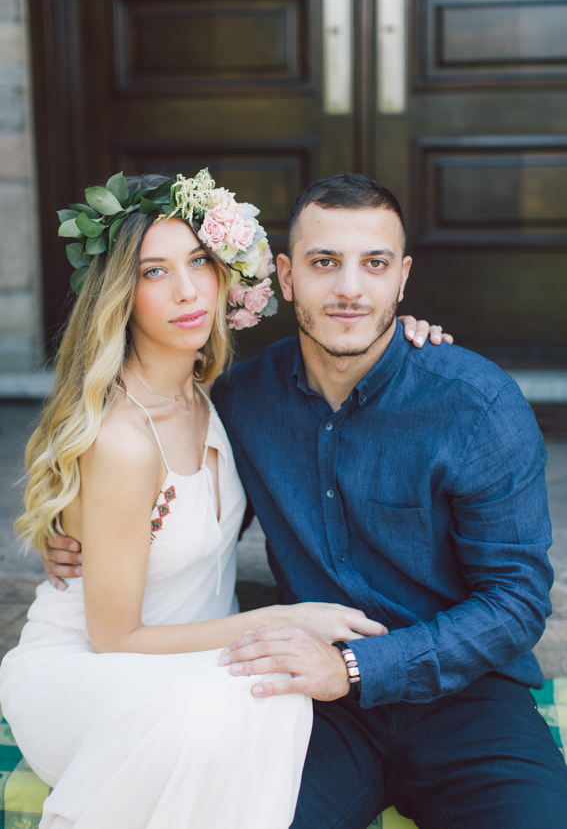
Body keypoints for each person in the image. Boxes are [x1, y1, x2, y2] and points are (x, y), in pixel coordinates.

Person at [43, 176, 567, 829]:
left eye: (373, 264)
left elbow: (515, 603)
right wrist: (78, 529)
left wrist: (352, 666)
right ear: (285, 278)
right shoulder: (238, 401)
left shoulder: (475, 405)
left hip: (464, 696)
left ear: (401, 280)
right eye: (324, 263)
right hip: (311, 707)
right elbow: (176, 497)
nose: (350, 289)